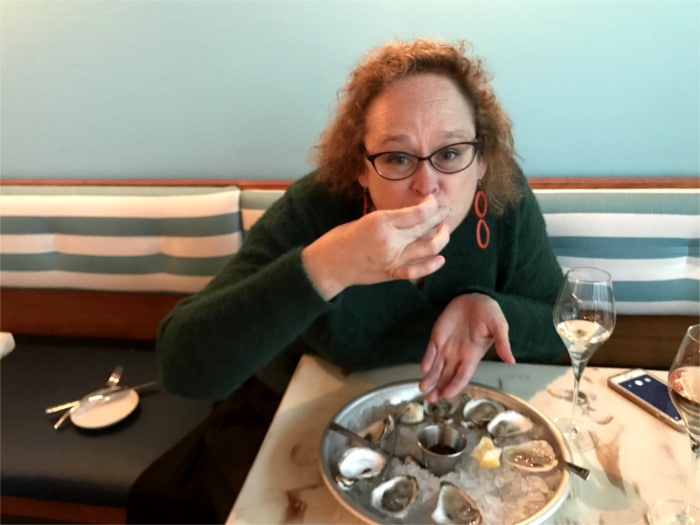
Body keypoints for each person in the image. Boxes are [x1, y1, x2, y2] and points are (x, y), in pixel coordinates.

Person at [127, 38, 565, 524]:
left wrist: (489, 305)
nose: (427, 184)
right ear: (361, 167)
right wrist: (325, 267)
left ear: (482, 160)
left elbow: (561, 328)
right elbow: (183, 366)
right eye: (398, 158)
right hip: (299, 430)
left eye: (451, 152)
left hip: (457, 432)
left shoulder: (506, 200)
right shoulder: (314, 208)